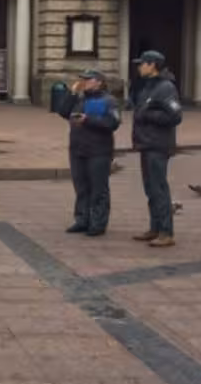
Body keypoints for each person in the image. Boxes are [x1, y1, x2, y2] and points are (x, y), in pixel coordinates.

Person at [58, 70, 121, 237]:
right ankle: (82, 220)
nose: (84, 82)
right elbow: (63, 112)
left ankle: (98, 223)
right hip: (78, 149)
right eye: (82, 79)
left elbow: (113, 123)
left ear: (99, 82)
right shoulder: (80, 99)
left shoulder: (108, 100)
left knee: (98, 188)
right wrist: (72, 93)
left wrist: (88, 120)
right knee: (81, 187)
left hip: (99, 150)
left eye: (88, 79)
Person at [131, 50, 182, 248]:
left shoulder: (165, 87)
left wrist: (148, 115)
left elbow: (175, 116)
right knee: (150, 189)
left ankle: (166, 232)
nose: (139, 67)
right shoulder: (148, 86)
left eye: (142, 63)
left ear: (152, 65)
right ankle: (155, 227)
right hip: (146, 143)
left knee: (159, 188)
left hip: (157, 145)